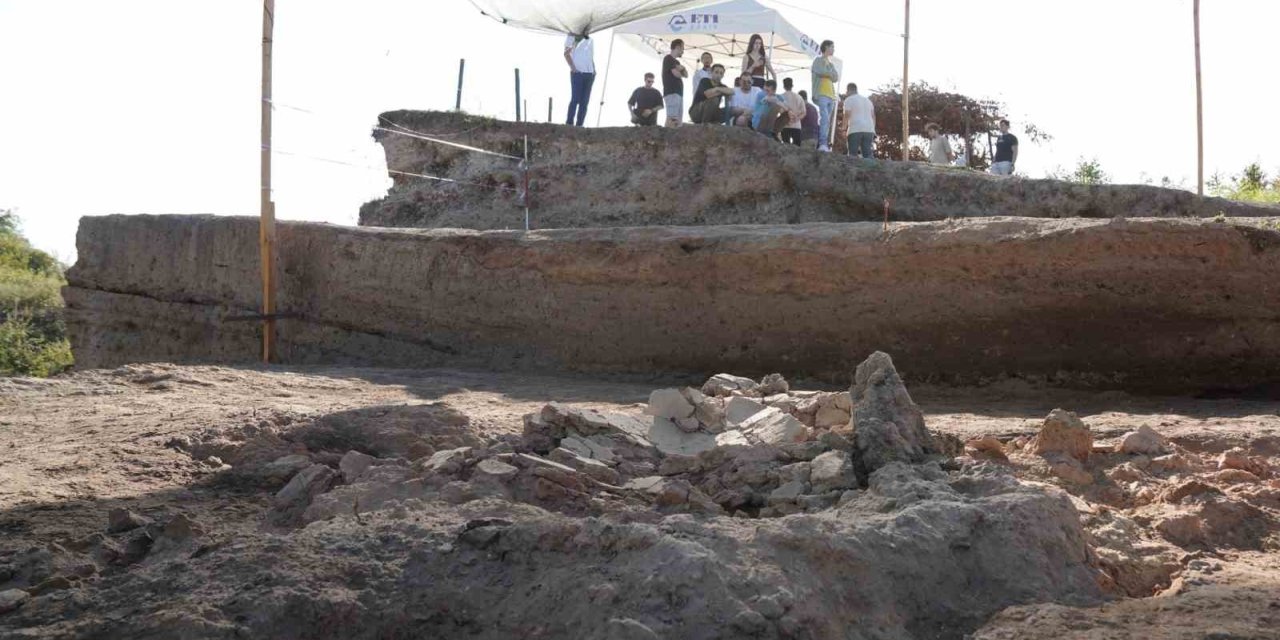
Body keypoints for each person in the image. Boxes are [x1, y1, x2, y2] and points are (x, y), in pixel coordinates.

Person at [811, 40, 839, 151]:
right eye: (832, 47)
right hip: (821, 93)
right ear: (826, 47)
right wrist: (830, 74)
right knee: (825, 119)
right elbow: (820, 71)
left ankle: (824, 144)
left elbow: (836, 78)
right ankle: (822, 143)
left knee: (827, 121)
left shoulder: (831, 64)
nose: (833, 49)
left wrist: (829, 74)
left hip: (831, 95)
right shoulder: (818, 60)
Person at [563, 34, 596, 127]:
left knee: (584, 102)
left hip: (589, 73)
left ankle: (580, 125)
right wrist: (573, 68)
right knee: (575, 99)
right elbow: (566, 53)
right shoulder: (572, 36)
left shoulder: (589, 38)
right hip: (578, 73)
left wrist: (594, 69)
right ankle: (569, 123)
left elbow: (590, 56)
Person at [842, 82, 875, 159]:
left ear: (849, 90)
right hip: (869, 129)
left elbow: (847, 115)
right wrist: (873, 129)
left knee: (852, 154)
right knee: (867, 154)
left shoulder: (849, 100)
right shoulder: (868, 100)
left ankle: (852, 170)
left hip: (855, 129)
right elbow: (873, 116)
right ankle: (871, 169)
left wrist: (844, 129)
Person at [662, 39, 688, 128]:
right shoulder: (668, 58)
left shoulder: (677, 62)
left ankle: (672, 138)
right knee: (672, 118)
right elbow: (676, 74)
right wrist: (680, 70)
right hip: (672, 92)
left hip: (678, 93)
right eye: (682, 48)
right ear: (677, 47)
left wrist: (682, 68)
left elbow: (686, 75)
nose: (683, 51)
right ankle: (666, 138)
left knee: (678, 121)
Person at [780, 78, 805, 146]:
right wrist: (796, 119)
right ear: (792, 85)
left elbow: (779, 111)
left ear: (784, 86)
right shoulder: (799, 97)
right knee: (797, 150)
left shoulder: (780, 97)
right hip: (796, 126)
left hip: (785, 125)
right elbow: (804, 112)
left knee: (786, 148)